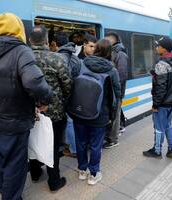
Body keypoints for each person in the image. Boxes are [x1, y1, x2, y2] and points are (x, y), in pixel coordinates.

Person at [0, 13, 53, 200]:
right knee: (16, 163)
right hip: (16, 119)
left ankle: (4, 189)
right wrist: (46, 99)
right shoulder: (21, 51)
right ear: (18, 29)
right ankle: (11, 196)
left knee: (0, 157)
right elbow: (33, 82)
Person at [70, 39, 121, 185]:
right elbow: (116, 96)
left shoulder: (81, 64)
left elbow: (71, 85)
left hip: (79, 112)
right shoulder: (111, 70)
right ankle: (93, 174)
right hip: (100, 115)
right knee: (95, 145)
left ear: (96, 49)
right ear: (109, 52)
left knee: (80, 142)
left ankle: (81, 170)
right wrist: (112, 116)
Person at [28, 25, 72, 191]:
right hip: (54, 112)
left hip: (29, 111)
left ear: (30, 40)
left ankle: (35, 173)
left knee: (33, 140)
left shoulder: (23, 58)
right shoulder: (57, 59)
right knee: (52, 145)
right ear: (47, 40)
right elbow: (67, 85)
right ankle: (54, 181)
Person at [143, 36, 172, 158]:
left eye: (158, 46)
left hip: (163, 102)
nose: (156, 48)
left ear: (164, 49)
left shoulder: (162, 64)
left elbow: (160, 87)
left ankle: (157, 150)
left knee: (159, 127)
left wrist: (156, 104)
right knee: (168, 125)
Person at [103, 31, 128, 148]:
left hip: (116, 91)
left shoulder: (120, 54)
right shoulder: (113, 52)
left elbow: (122, 75)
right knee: (111, 114)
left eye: (106, 39)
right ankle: (109, 135)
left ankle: (113, 139)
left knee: (115, 115)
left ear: (112, 40)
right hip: (110, 90)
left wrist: (116, 90)